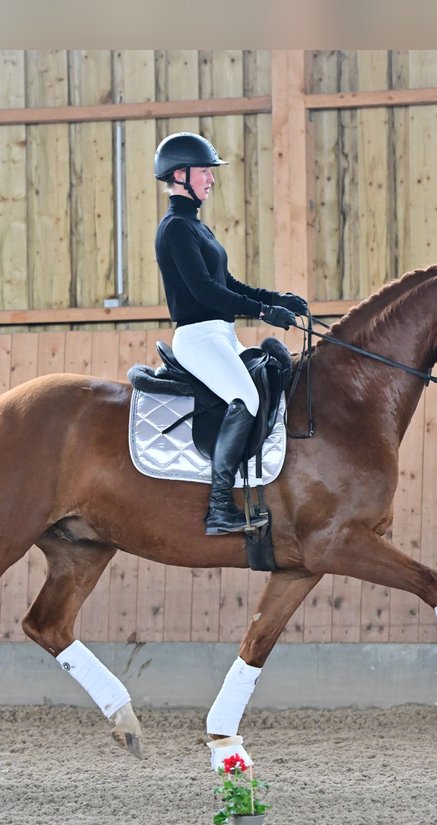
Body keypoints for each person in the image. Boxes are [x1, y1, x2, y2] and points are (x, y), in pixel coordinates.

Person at [152, 132, 309, 535]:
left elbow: (229, 284)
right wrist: (262, 312)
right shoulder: (175, 229)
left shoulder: (196, 228)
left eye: (210, 172)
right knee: (246, 397)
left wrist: (276, 299)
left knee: (271, 375)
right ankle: (219, 507)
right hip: (198, 337)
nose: (211, 179)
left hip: (220, 334)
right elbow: (204, 291)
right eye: (205, 171)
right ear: (181, 175)